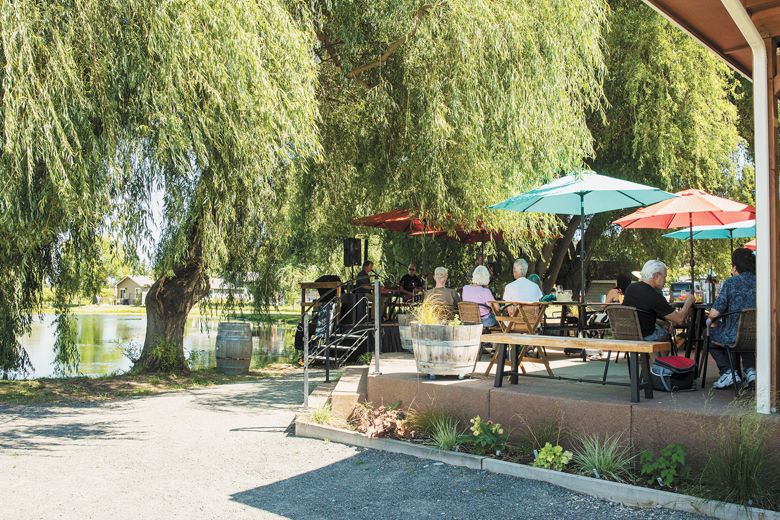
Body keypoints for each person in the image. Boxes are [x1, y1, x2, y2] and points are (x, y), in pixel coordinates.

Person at [707, 248, 756, 389]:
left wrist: (710, 321)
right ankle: (750, 371)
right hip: (760, 334)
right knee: (747, 335)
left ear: (735, 267)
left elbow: (714, 314)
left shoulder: (731, 283)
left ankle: (728, 372)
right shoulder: (763, 282)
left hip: (733, 336)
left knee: (708, 334)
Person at [622, 260, 694, 341]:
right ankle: (671, 350)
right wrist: (689, 301)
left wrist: (660, 322)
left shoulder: (631, 288)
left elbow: (641, 315)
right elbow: (679, 319)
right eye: (664, 277)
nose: (665, 280)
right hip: (646, 336)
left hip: (626, 333)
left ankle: (651, 354)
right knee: (666, 331)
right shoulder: (654, 295)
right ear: (656, 276)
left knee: (662, 326)